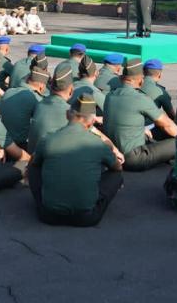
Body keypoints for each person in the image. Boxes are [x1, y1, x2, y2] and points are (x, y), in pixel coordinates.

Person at [27, 95, 124, 227]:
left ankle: (48, 200)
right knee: (116, 176)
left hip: (49, 216)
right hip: (86, 218)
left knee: (32, 168)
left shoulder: (47, 139)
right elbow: (117, 168)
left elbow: (34, 164)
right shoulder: (98, 143)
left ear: (67, 115)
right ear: (90, 123)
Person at [103, 57, 177, 171]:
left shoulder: (110, 96)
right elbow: (167, 125)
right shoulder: (140, 98)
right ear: (141, 80)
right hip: (134, 158)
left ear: (121, 77)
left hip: (113, 154)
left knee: (155, 132)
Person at [27, 62, 74, 153]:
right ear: (71, 90)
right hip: (50, 162)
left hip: (33, 159)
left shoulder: (40, 104)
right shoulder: (70, 112)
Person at [0, 69, 49, 150]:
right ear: (42, 86)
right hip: (20, 146)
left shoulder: (9, 91)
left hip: (1, 141)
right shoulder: (36, 98)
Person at [140, 59, 175, 130]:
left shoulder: (133, 85)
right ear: (160, 74)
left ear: (143, 72)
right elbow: (171, 115)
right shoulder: (161, 92)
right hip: (147, 127)